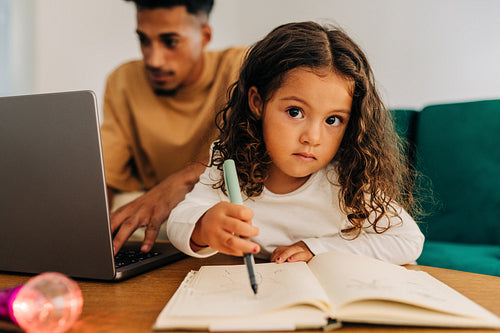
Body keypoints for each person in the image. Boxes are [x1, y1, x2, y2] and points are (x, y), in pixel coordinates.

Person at [166, 21, 425, 265]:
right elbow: (178, 220)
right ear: (257, 102)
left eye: (333, 120)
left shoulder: (348, 178)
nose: (312, 137)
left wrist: (315, 249)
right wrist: (201, 228)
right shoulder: (228, 160)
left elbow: (408, 241)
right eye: (294, 112)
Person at [100, 0, 246, 254]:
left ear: (204, 36)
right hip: (154, 224)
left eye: (170, 42)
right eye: (144, 40)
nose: (153, 59)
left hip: (215, 213)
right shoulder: (124, 81)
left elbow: (256, 152)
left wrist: (180, 181)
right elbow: (105, 176)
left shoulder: (241, 68)